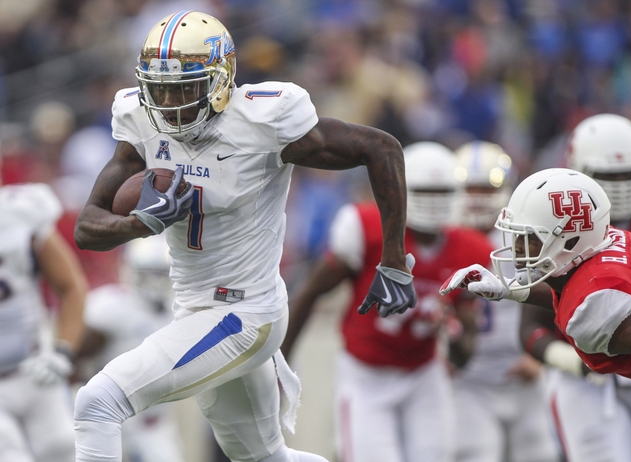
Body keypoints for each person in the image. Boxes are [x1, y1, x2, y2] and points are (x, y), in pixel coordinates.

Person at [72, 10, 415, 462]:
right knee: (263, 457)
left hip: (245, 312)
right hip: (195, 309)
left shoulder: (261, 121)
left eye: (185, 87)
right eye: (161, 88)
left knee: (97, 403)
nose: (170, 102)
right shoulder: (141, 122)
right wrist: (139, 224)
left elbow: (381, 147)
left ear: (220, 80)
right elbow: (86, 227)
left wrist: (393, 256)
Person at [281, 141, 495, 462]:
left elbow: (463, 356)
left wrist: (455, 334)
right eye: (425, 192)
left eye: (442, 193)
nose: (434, 203)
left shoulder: (471, 249)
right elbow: (311, 292)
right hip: (366, 374)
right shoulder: (366, 227)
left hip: (423, 373)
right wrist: (281, 362)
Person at [439, 167, 631, 391]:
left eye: (530, 238)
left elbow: (591, 303)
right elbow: (575, 292)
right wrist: (508, 289)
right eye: (516, 236)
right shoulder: (605, 241)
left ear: (569, 242)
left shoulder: (596, 305)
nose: (517, 250)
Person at [519, 114, 631, 462]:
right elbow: (529, 329)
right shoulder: (556, 221)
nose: (619, 185)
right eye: (607, 176)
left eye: (629, 174)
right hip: (586, 381)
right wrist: (570, 362)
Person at [452, 141, 560, 462]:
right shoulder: (444, 238)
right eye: (469, 188)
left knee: (540, 455)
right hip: (470, 381)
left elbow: (556, 295)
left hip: (523, 372)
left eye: (486, 188)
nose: (476, 198)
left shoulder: (521, 238)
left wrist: (540, 357)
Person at [76, 234, 186, 462]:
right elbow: (76, 358)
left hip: (154, 423)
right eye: (149, 275)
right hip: (109, 418)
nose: (155, 283)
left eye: (161, 275)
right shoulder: (111, 308)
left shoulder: (181, 310)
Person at [0, 180, 88, 462]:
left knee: (64, 449)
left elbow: (71, 287)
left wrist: (61, 352)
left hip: (34, 368)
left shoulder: (20, 214)